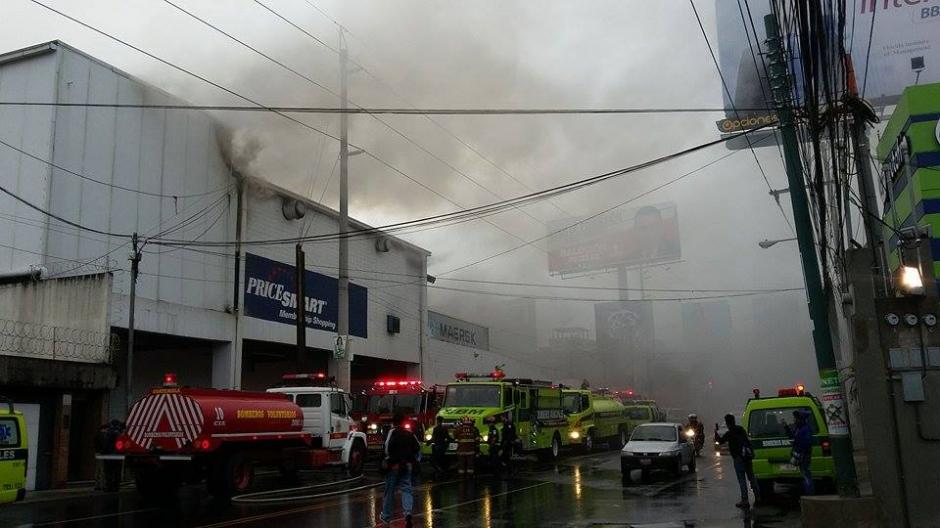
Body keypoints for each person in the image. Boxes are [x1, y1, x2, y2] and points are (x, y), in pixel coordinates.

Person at [382, 413, 420, 527]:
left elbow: (387, 448)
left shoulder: (392, 432)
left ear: (393, 422)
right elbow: (417, 447)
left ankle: (386, 517)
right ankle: (408, 512)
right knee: (407, 489)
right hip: (407, 465)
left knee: (389, 491)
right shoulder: (410, 433)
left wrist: (388, 460)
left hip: (394, 466)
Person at [715, 414, 761, 509]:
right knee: (751, 477)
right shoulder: (741, 429)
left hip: (738, 458)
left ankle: (745, 500)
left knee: (742, 479)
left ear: (727, 423)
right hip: (747, 457)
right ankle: (758, 497)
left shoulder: (730, 433)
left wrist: (716, 432)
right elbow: (748, 441)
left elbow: (720, 441)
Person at [791, 410, 815, 495]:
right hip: (802, 455)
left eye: (795, 418)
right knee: (804, 473)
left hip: (804, 455)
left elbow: (806, 442)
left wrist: (798, 451)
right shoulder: (799, 428)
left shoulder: (805, 429)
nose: (793, 420)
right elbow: (793, 436)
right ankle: (808, 491)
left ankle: (810, 493)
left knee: (806, 474)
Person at [500, 412, 518, 476]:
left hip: (508, 444)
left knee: (507, 458)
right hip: (507, 443)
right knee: (506, 458)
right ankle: (509, 471)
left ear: (504, 417)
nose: (501, 419)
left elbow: (509, 435)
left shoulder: (508, 424)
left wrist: (504, 444)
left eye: (501, 417)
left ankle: (510, 471)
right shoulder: (506, 424)